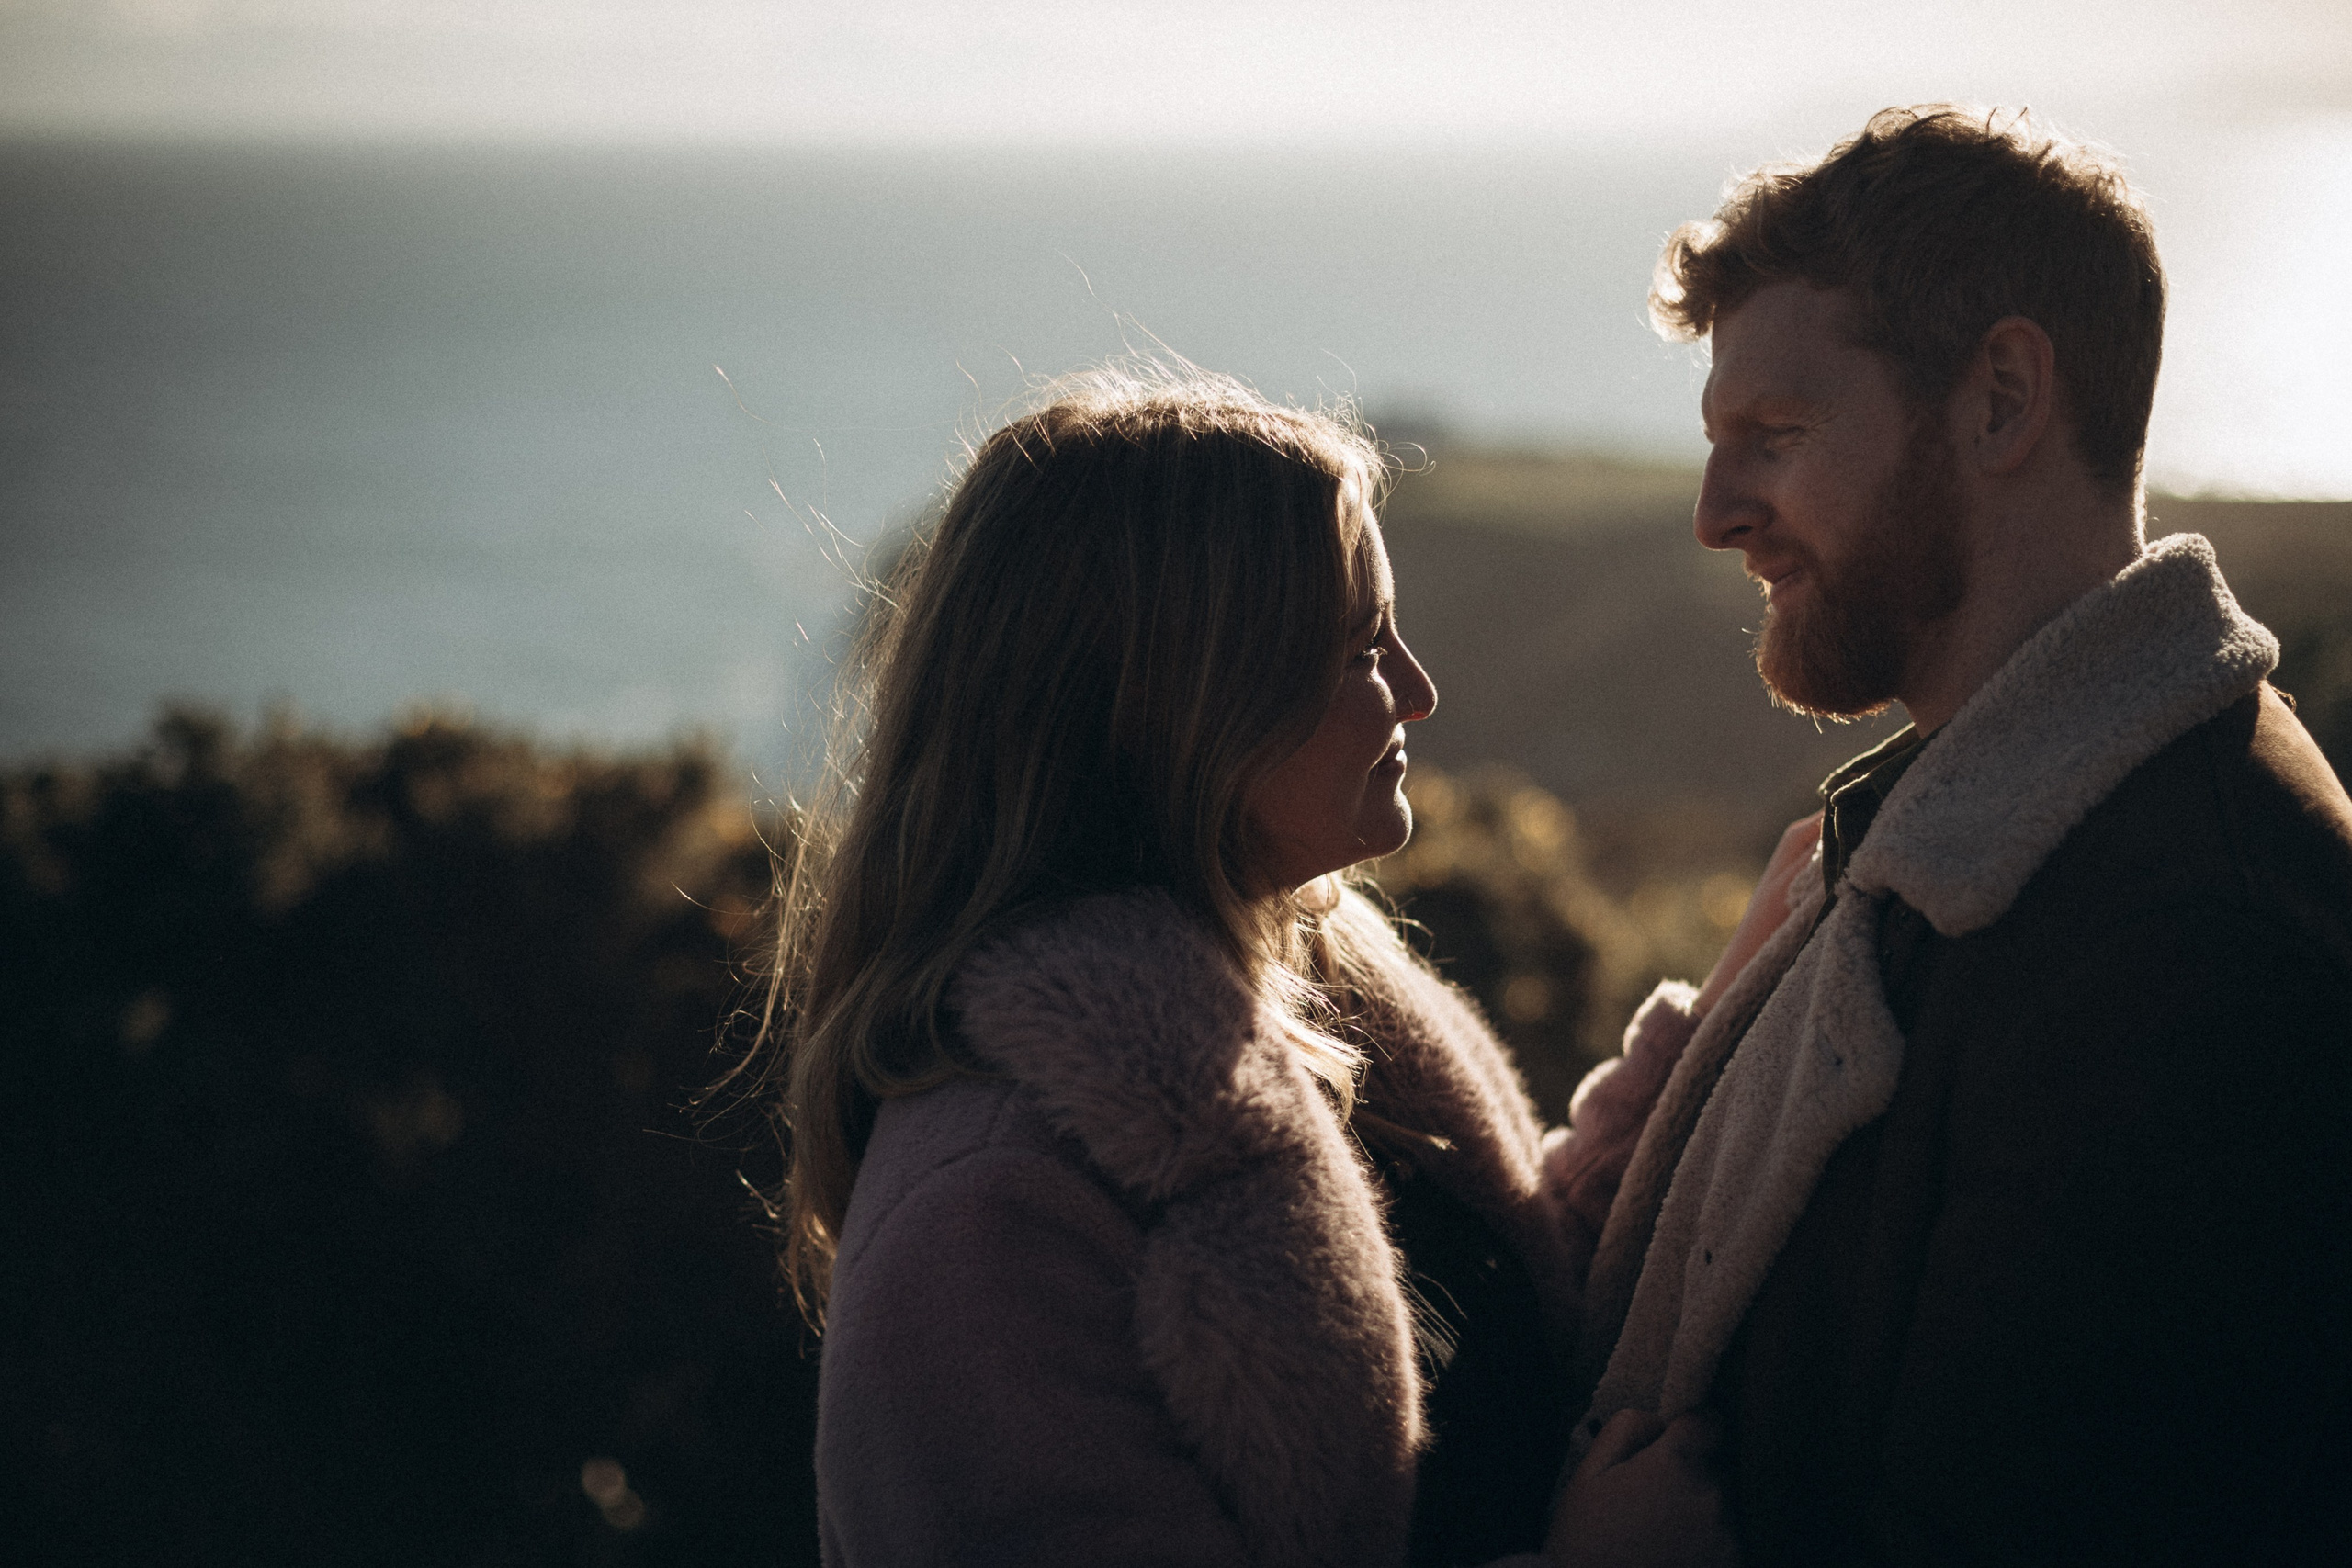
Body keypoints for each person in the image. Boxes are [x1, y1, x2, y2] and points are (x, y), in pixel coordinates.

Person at [722, 368, 1746, 1567]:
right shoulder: (988, 1218)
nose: (1418, 691)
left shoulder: (1317, 1011)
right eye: (1364, 648)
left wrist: (1740, 1010)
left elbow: (1504, 1317)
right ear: (1181, 710)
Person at [1567, 105, 2352, 1564]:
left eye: (1776, 437)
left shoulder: (2194, 954)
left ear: (1999, 399)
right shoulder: (1938, 844)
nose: (1713, 513)